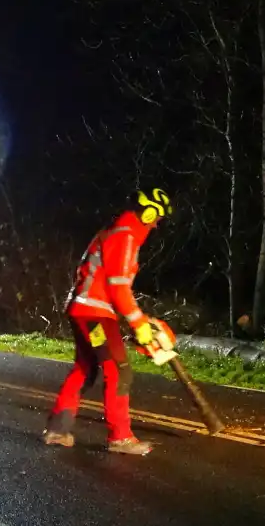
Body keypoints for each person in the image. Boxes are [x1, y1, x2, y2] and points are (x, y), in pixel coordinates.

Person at [43, 188, 173, 455]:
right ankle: (120, 437)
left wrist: (140, 321)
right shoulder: (125, 236)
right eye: (157, 219)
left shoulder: (115, 231)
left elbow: (113, 287)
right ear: (149, 213)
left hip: (86, 311)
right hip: (94, 315)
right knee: (118, 369)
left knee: (86, 368)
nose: (157, 225)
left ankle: (58, 429)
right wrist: (138, 323)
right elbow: (118, 287)